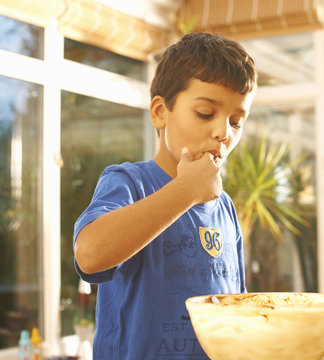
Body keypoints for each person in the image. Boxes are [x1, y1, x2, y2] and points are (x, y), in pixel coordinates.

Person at [73, 32, 257, 360]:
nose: (223, 133)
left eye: (236, 122)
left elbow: (235, 309)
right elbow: (89, 254)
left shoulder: (225, 208)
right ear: (160, 112)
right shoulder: (129, 182)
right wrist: (186, 190)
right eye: (204, 113)